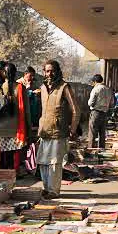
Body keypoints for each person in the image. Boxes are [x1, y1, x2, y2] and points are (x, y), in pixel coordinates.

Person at [37, 60, 79, 199]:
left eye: (52, 71)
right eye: (47, 71)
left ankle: (54, 191)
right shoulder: (42, 88)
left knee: (55, 163)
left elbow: (75, 110)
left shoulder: (64, 87)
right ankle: (46, 188)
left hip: (58, 131)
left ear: (58, 71)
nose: (50, 74)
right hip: (44, 131)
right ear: (44, 72)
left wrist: (73, 130)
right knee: (43, 162)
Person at [0, 62, 30, 171]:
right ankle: (15, 172)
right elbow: (27, 110)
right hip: (17, 125)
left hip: (2, 124)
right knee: (16, 150)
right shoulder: (21, 88)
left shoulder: (0, 87)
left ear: (4, 73)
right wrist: (29, 126)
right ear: (15, 73)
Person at [87, 74, 113, 149]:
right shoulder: (108, 89)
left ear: (95, 81)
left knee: (92, 133)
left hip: (96, 112)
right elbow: (111, 103)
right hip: (105, 113)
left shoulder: (96, 89)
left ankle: (91, 150)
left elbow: (90, 103)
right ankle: (102, 150)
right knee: (102, 133)